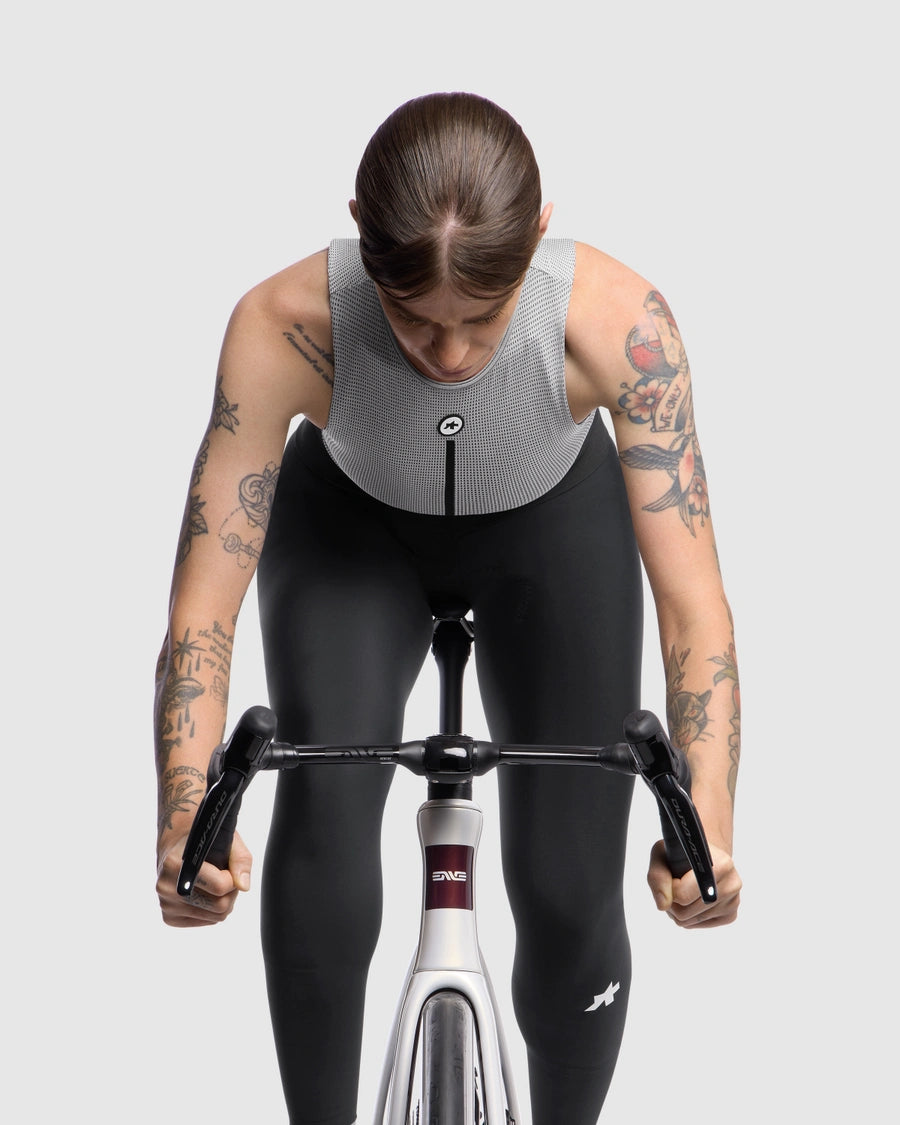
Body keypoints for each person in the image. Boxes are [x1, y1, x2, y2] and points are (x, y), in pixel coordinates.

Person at [154, 91, 742, 1124]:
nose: (451, 354)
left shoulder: (621, 324)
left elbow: (695, 611)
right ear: (358, 233)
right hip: (348, 538)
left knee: (569, 888)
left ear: (540, 234)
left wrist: (710, 830)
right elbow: (202, 614)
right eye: (413, 318)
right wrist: (183, 818)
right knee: (323, 834)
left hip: (554, 537)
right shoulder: (280, 324)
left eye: (484, 317)